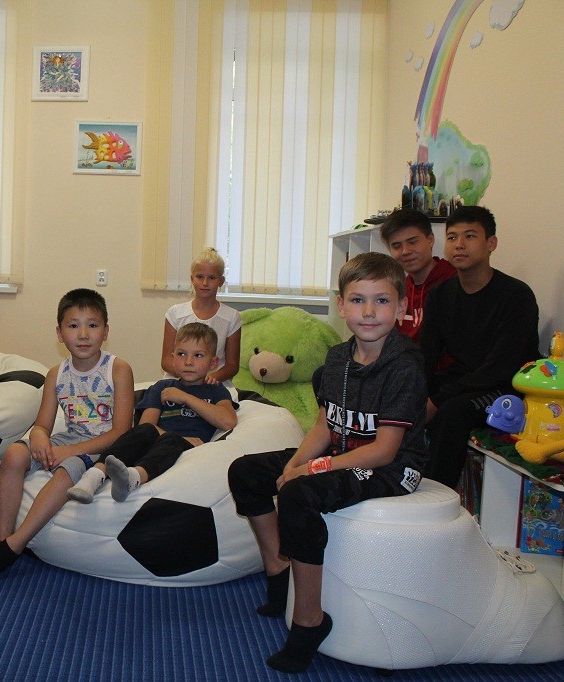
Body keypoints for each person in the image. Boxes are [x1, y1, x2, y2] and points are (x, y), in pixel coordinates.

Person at [227, 252, 427, 674]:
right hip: (342, 453)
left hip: (391, 469)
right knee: (245, 471)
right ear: (341, 306)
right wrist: (294, 464)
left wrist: (309, 471)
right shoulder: (337, 358)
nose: (368, 312)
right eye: (357, 300)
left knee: (298, 495)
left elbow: (384, 451)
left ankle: (309, 621)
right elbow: (324, 425)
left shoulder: (404, 367)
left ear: (401, 308)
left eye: (382, 301)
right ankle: (278, 569)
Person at [0, 288, 134, 575]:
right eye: (73, 326)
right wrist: (40, 438)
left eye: (93, 325)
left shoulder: (118, 369)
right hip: (70, 436)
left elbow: (121, 431)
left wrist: (69, 452)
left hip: (103, 445)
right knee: (13, 455)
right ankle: (2, 538)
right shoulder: (56, 374)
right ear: (59, 333)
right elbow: (42, 424)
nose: (83, 334)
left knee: (66, 472)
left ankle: (15, 545)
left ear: (106, 331)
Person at [420, 205, 540, 489]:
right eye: (452, 237)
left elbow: (500, 368)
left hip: (507, 386)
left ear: (491, 243)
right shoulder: (440, 295)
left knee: (453, 411)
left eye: (470, 236)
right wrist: (417, 393)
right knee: (400, 391)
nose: (459, 244)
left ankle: (435, 494)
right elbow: (427, 355)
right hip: (465, 380)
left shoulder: (516, 296)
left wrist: (436, 401)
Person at [66, 323, 237, 503]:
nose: (188, 361)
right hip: (160, 441)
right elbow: (147, 425)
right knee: (144, 433)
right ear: (172, 358)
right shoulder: (162, 387)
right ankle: (93, 476)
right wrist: (174, 435)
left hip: (186, 449)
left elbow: (228, 421)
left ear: (213, 363)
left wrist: (185, 398)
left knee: (172, 440)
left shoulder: (215, 390)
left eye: (198, 355)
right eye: (181, 354)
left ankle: (132, 478)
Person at [161, 247, 241, 386]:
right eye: (200, 277)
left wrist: (209, 378)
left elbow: (232, 365)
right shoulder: (175, 313)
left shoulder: (231, 317)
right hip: (178, 381)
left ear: (221, 281)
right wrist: (187, 375)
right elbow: (166, 360)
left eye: (211, 278)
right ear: (192, 278)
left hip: (212, 384)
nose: (205, 283)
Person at [379, 208, 456, 344]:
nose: (405, 251)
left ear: (430, 240)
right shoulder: (398, 290)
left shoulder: (454, 281)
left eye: (412, 242)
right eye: (396, 246)